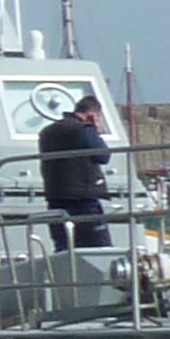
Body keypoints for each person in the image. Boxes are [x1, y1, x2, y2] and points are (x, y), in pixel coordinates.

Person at [40, 90, 112, 253]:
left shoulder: (47, 132)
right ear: (93, 115)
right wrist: (96, 130)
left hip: (55, 198)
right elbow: (103, 156)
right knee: (99, 250)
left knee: (64, 250)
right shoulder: (83, 129)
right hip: (83, 199)